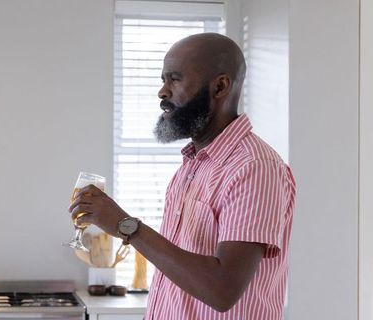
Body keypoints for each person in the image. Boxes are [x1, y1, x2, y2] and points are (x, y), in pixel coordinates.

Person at [69, 33, 296, 320]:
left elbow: (222, 289)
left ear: (220, 86)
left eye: (175, 79)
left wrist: (127, 227)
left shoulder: (254, 167)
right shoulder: (191, 166)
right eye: (163, 80)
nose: (162, 92)